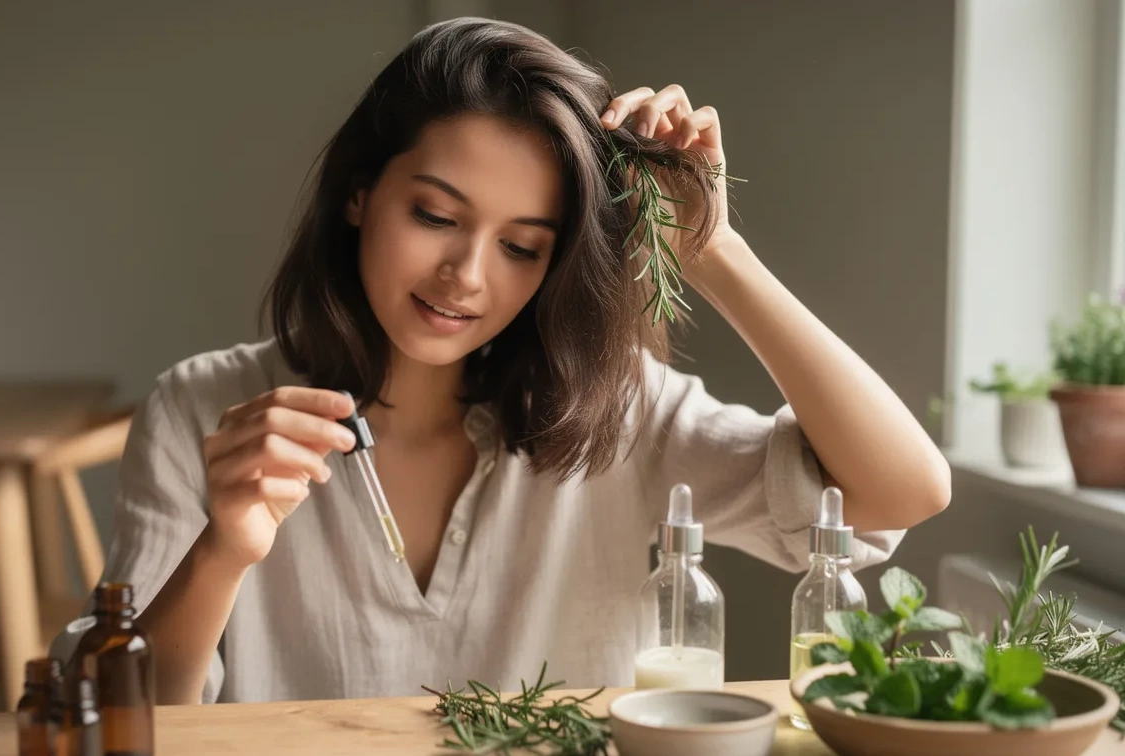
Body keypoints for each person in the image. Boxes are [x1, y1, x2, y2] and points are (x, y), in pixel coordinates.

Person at [51, 16, 949, 705]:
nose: (466, 276)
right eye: (436, 217)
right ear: (360, 193)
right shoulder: (201, 406)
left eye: (522, 246)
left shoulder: (620, 410)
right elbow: (121, 719)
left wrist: (711, 250)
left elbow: (901, 492)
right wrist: (223, 551)